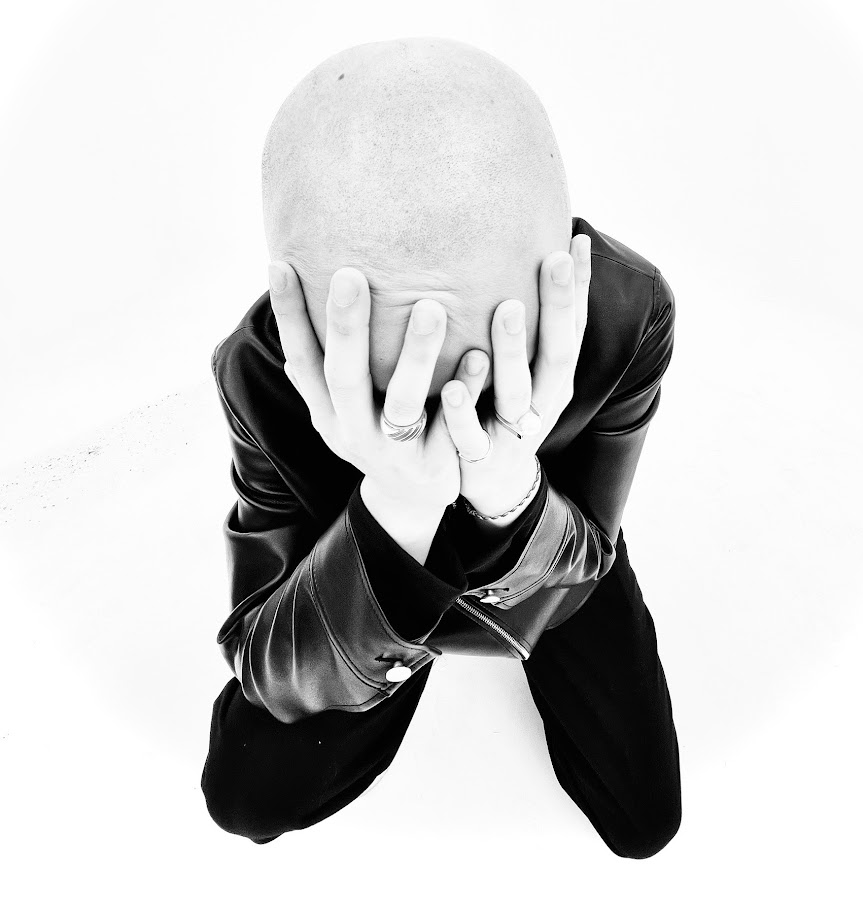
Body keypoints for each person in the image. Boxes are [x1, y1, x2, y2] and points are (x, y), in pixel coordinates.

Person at [200, 36, 682, 858]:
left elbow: (588, 551)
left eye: (490, 374)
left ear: (562, 283)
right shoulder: (261, 372)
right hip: (364, 553)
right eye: (391, 392)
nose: (445, 431)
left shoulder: (626, 317)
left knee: (644, 821)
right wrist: (399, 515)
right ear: (304, 318)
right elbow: (264, 661)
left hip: (550, 529)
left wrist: (512, 499)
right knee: (245, 799)